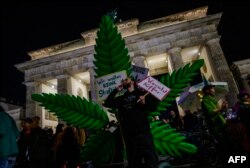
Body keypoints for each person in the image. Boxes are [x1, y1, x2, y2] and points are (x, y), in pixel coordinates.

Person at [104, 77, 158, 168]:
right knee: (134, 160)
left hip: (143, 131)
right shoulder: (121, 98)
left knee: (150, 158)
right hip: (129, 134)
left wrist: (144, 102)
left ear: (132, 82)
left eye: (126, 79)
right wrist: (116, 90)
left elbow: (153, 107)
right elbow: (108, 103)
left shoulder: (141, 93)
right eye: (123, 80)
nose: (124, 81)